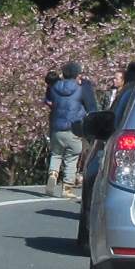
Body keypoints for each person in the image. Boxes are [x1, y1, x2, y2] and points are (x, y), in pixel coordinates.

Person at [45, 60, 97, 199]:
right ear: (77, 74)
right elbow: (91, 108)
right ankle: (67, 188)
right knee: (72, 157)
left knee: (56, 154)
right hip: (74, 127)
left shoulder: (55, 86)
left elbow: (48, 100)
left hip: (56, 128)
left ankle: (53, 174)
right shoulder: (82, 88)